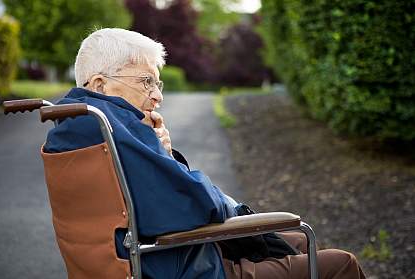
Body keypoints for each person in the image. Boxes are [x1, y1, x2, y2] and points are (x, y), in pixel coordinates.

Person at [44, 28, 365, 279]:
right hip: (178, 269)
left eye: (158, 84)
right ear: (100, 85)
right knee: (338, 263)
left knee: (289, 243)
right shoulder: (116, 129)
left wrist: (163, 153)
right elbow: (198, 206)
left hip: (137, 264)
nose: (157, 96)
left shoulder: (71, 128)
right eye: (146, 82)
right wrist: (163, 156)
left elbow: (144, 206)